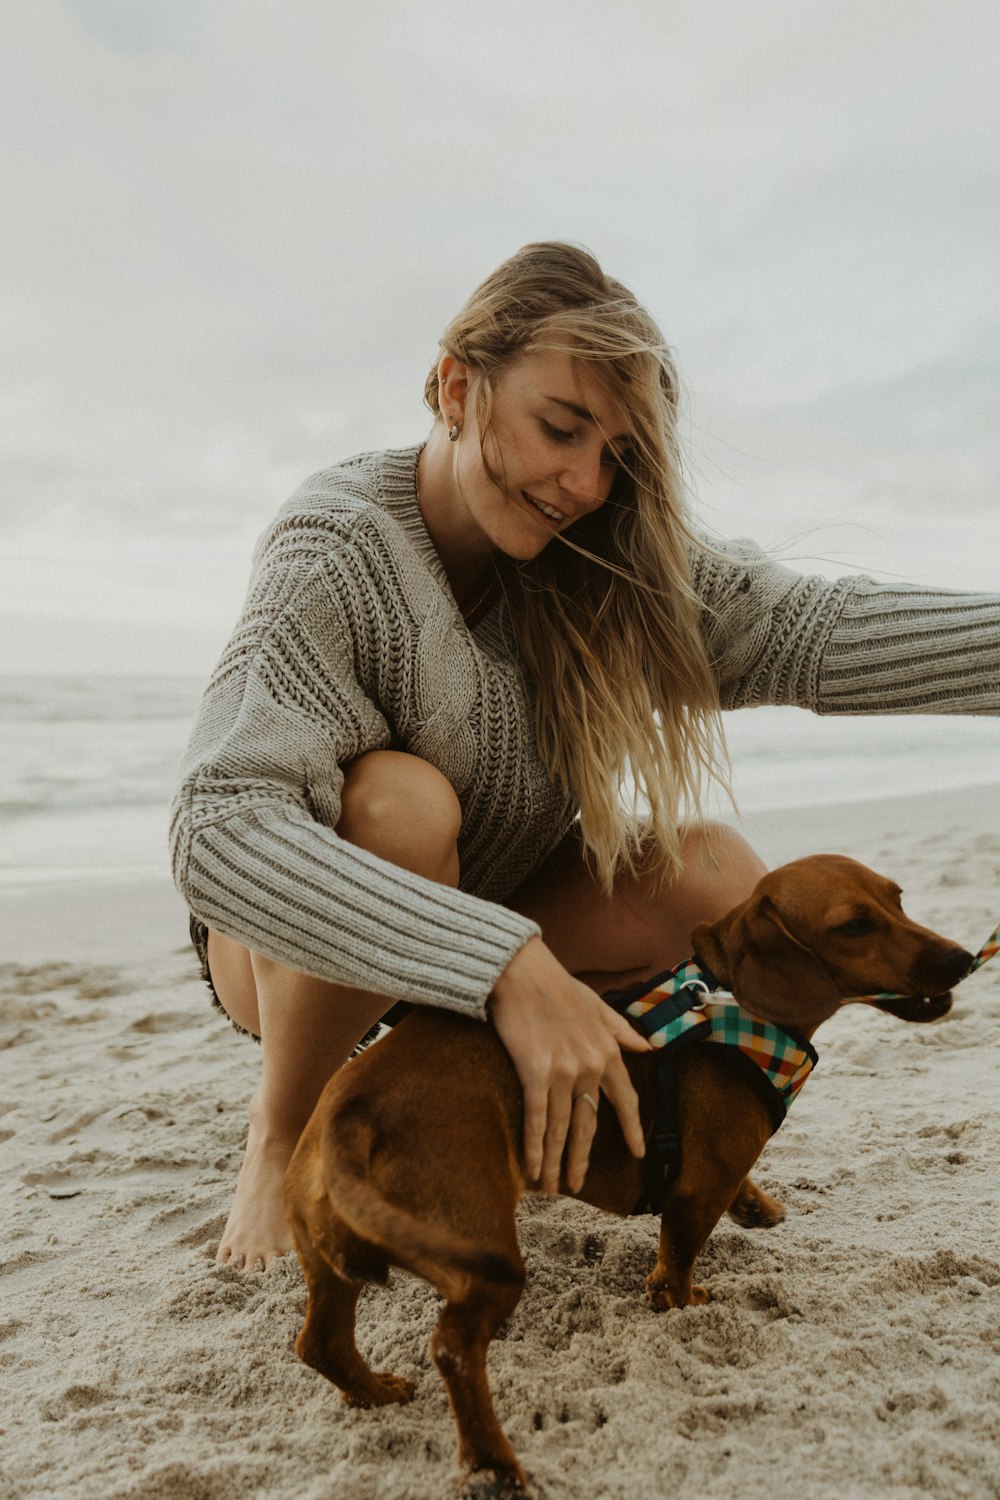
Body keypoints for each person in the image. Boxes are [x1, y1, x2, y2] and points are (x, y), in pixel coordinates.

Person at [170, 242, 1000, 1272]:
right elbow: (219, 831)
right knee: (400, 804)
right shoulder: (337, 548)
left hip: (492, 903)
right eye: (560, 428)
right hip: (295, 958)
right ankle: (281, 1134)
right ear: (455, 385)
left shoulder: (597, 552)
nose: (582, 481)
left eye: (614, 452)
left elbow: (812, 630)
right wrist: (500, 961)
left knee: (710, 874)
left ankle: (553, 1109)